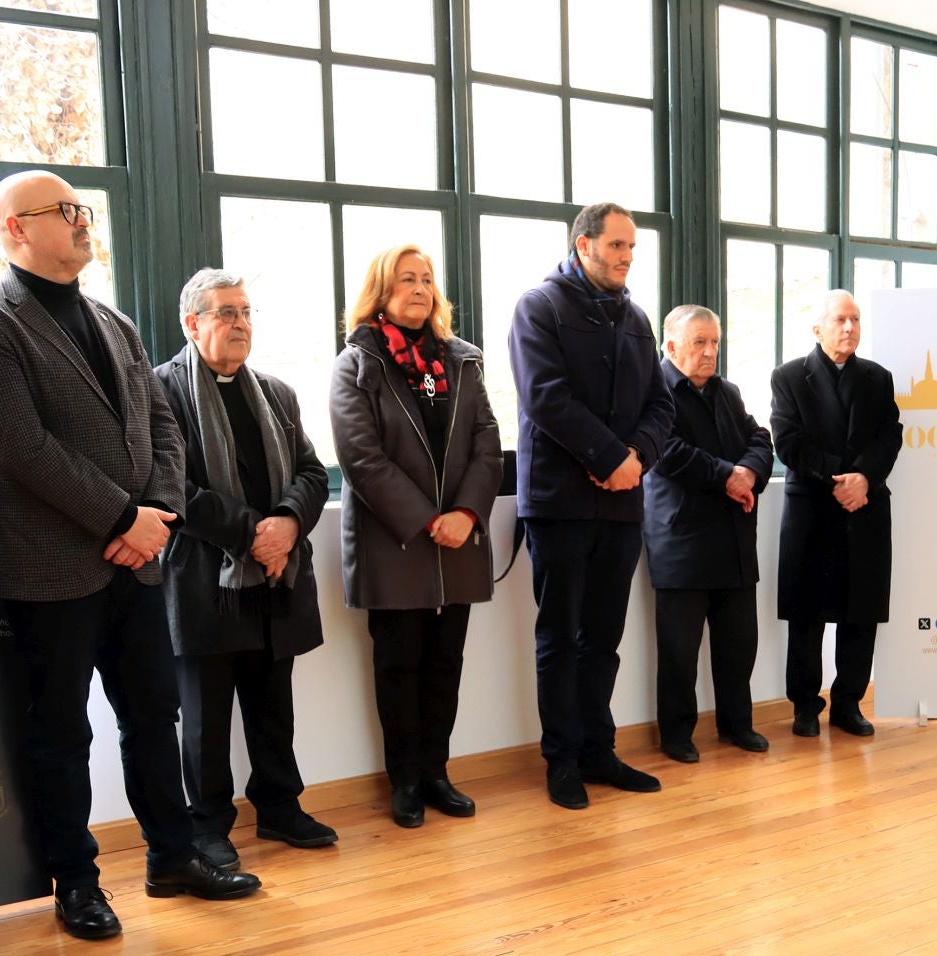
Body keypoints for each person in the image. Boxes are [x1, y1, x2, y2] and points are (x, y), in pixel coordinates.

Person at [0, 170, 260, 942]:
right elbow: (20, 447)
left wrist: (157, 517)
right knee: (61, 735)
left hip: (138, 560)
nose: (84, 223)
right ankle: (76, 883)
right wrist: (122, 515)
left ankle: (173, 856)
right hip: (51, 566)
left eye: (84, 210)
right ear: (15, 228)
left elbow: (162, 427)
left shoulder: (114, 322)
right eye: (66, 212)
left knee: (155, 715)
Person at [151, 269, 335, 868]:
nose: (240, 323)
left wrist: (286, 523)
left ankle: (279, 806)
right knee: (204, 716)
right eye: (225, 312)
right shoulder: (163, 392)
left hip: (275, 573)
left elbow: (310, 471)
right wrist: (250, 534)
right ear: (192, 323)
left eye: (247, 312)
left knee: (271, 701)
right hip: (206, 579)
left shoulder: (276, 393)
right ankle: (207, 826)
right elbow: (169, 486)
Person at [507, 202, 675, 809]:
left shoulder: (635, 318)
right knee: (559, 636)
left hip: (623, 503)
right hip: (560, 504)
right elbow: (544, 398)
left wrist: (636, 458)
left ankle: (599, 750)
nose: (627, 258)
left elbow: (663, 405)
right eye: (616, 247)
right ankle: (562, 761)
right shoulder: (539, 307)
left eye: (632, 249)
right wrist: (610, 458)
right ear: (583, 246)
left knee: (603, 637)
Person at [330, 246, 503, 827]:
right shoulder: (357, 363)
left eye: (427, 279)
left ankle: (436, 773)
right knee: (399, 667)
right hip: (395, 545)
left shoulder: (463, 363)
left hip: (458, 542)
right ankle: (404, 779)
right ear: (381, 291)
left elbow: (486, 442)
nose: (420, 289)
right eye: (406, 279)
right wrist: (430, 519)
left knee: (445, 665)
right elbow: (361, 458)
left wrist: (466, 515)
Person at [770, 290, 902, 738]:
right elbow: (788, 442)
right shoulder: (788, 377)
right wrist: (841, 480)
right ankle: (805, 707)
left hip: (865, 510)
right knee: (807, 615)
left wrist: (863, 478)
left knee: (859, 613)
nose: (849, 328)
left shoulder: (878, 378)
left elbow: (890, 436)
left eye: (856, 320)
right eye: (840, 320)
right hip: (813, 509)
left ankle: (849, 703)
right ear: (817, 328)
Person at [643, 305, 772, 762]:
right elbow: (668, 452)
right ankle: (676, 735)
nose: (710, 351)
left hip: (734, 540)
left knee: (739, 644)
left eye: (715, 342)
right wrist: (727, 476)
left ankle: (737, 725)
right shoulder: (653, 391)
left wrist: (749, 473)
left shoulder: (728, 392)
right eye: (700, 342)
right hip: (682, 542)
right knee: (679, 651)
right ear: (671, 345)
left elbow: (761, 439)